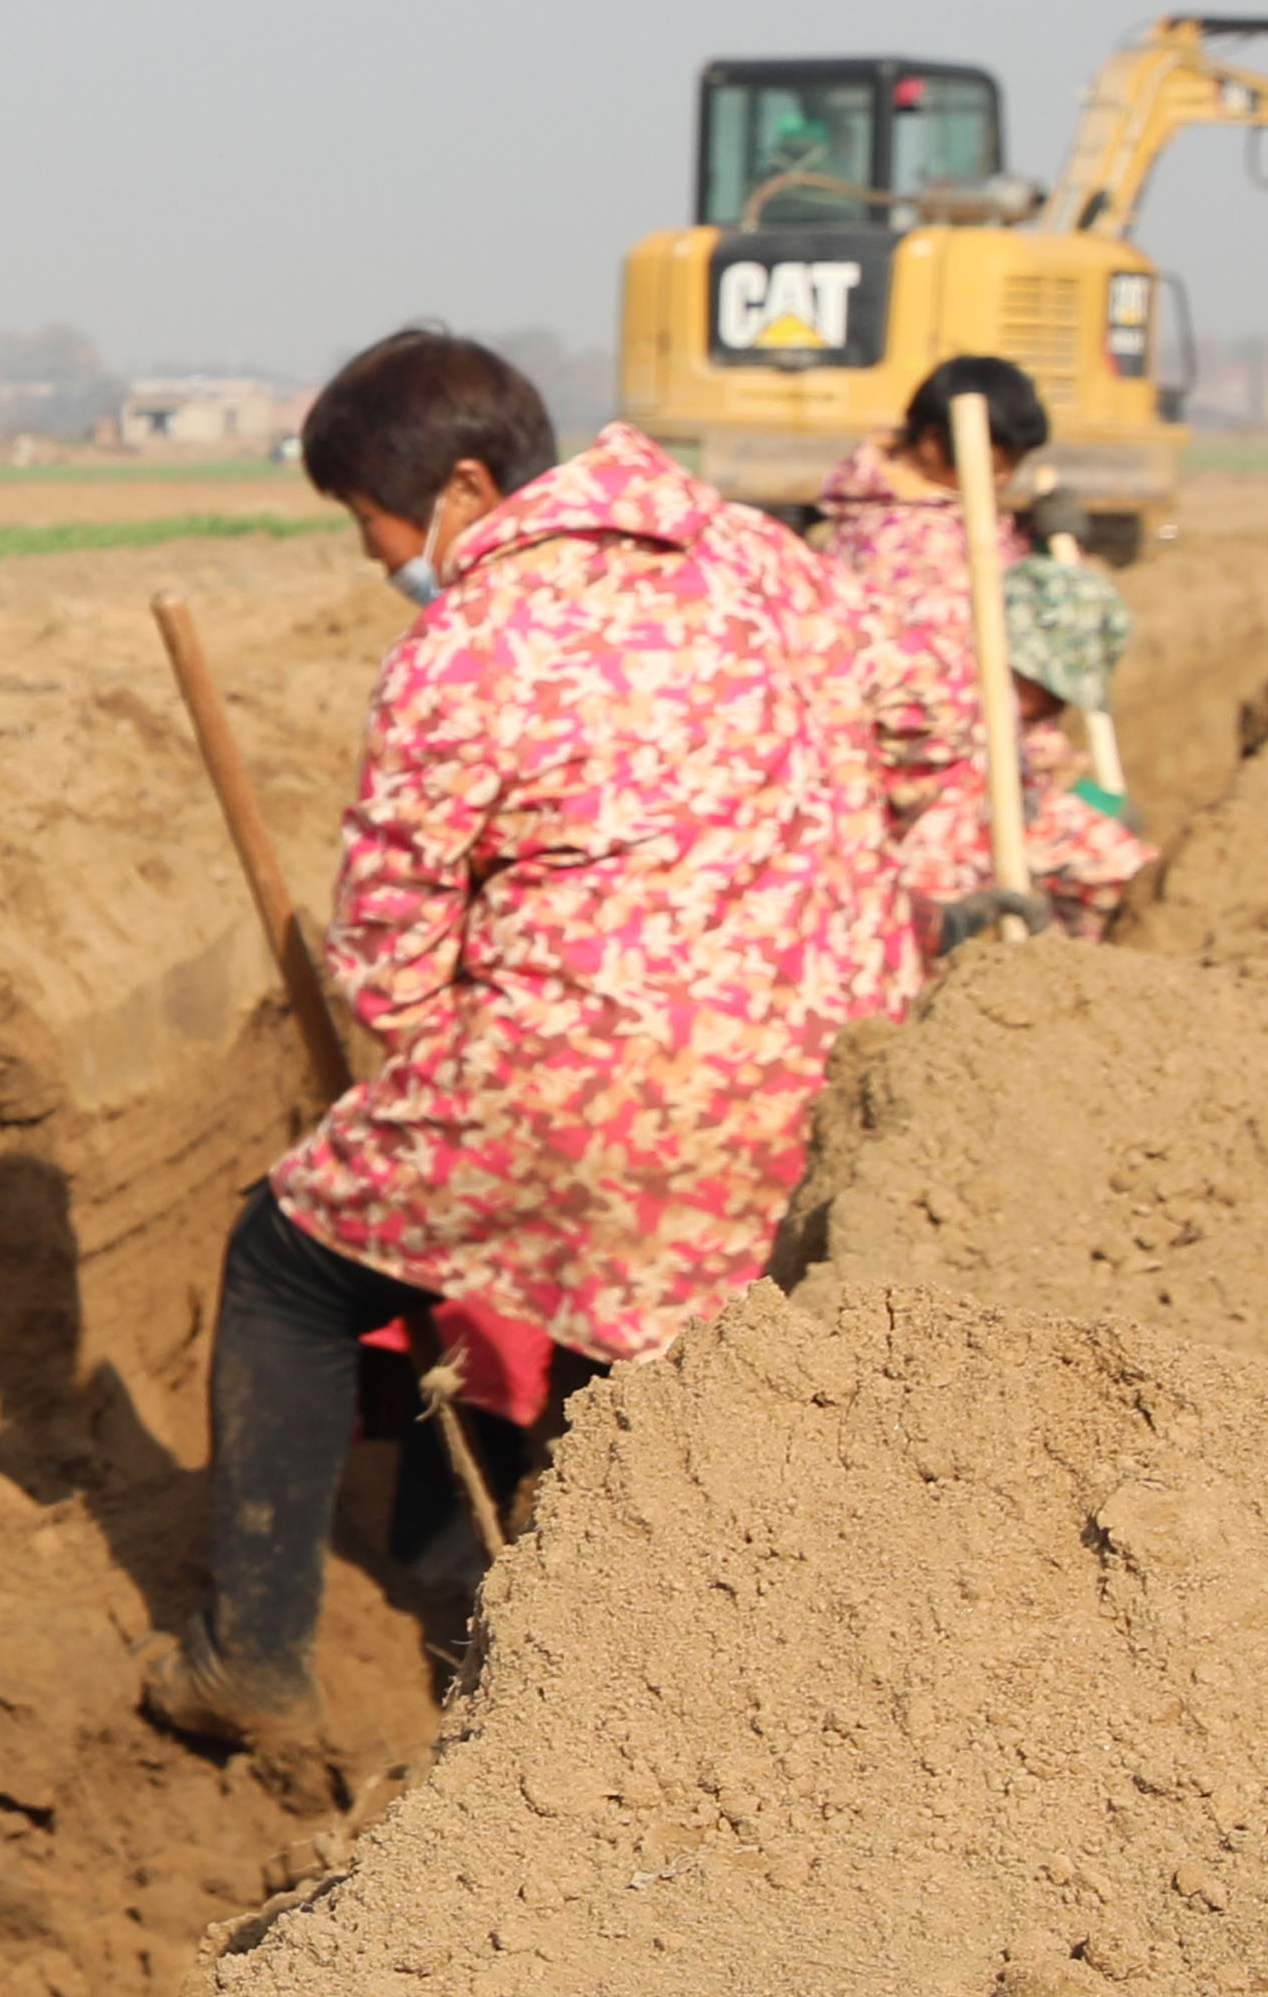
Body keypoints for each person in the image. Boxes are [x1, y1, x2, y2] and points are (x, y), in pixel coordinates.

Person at [152, 329, 915, 1763]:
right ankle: (596, 1662)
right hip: (820, 1077)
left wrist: (453, 1076)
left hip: (591, 1080)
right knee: (640, 1337)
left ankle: (249, 1654)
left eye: (370, 524)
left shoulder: (466, 644)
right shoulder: (766, 561)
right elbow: (927, 731)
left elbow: (385, 956)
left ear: (460, 483)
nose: (377, 555)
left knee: (288, 1259)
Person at [814, 352, 1156, 941]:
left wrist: (1039, 542)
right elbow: (964, 690)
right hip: (924, 792)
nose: (1003, 480)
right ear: (929, 444)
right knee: (959, 921)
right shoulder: (900, 546)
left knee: (1122, 877)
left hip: (994, 773)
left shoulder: (960, 518)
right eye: (998, 465)